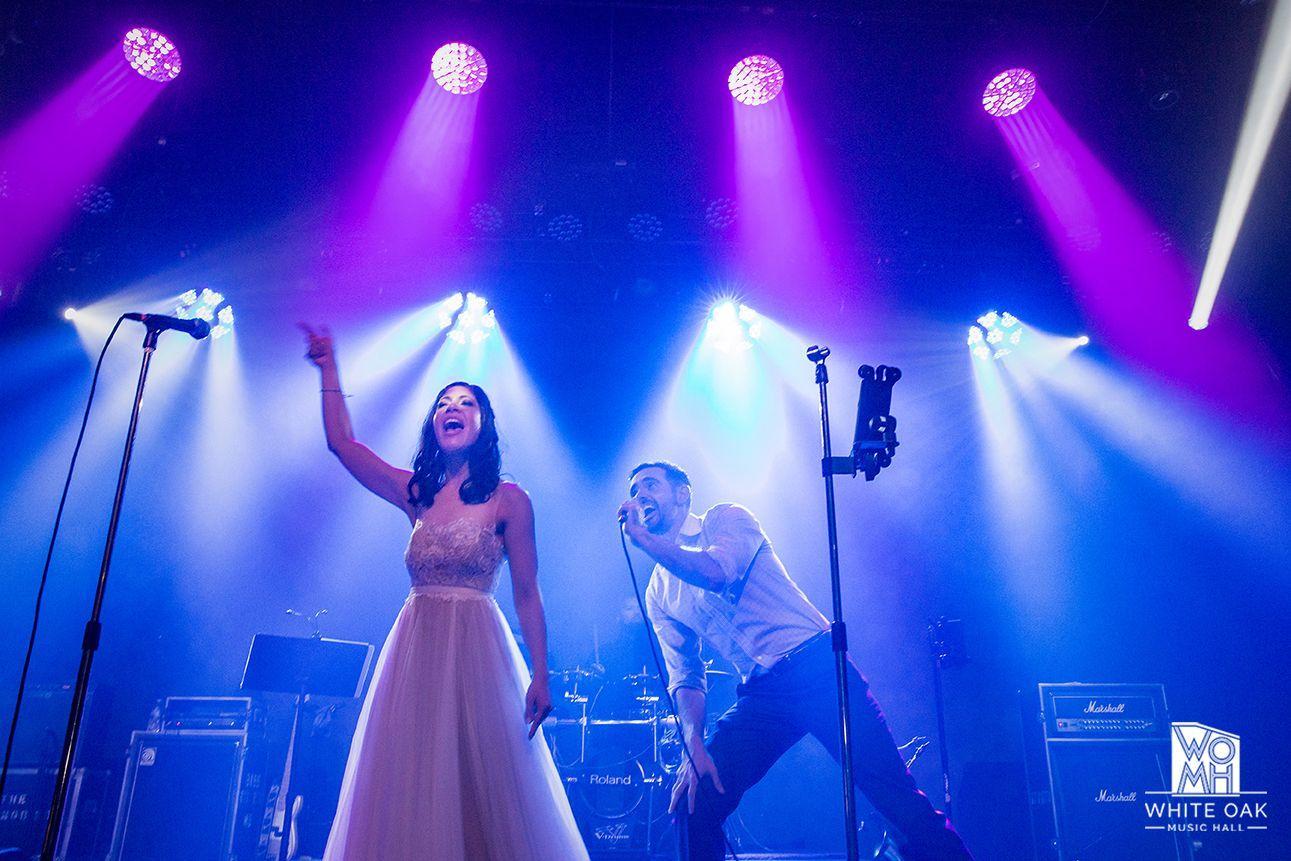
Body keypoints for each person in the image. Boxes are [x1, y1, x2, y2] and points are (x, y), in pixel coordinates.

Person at [300, 324, 588, 861]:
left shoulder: (509, 500)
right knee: (412, 775)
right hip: (417, 650)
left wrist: (542, 674)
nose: (451, 408)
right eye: (442, 404)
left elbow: (527, 593)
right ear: (434, 424)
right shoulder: (417, 493)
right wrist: (329, 367)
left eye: (465, 403)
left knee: (480, 781)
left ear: (483, 423)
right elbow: (343, 445)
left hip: (478, 650)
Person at [618, 461, 972, 861]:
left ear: (682, 494)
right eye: (634, 490)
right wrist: (693, 744)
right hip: (763, 694)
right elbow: (686, 676)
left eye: (650, 485)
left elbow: (716, 573)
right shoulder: (659, 592)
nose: (640, 495)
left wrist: (644, 540)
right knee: (694, 801)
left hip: (817, 667)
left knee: (897, 800)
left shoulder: (726, 519)